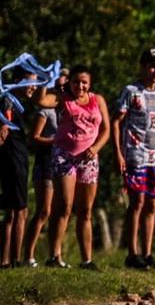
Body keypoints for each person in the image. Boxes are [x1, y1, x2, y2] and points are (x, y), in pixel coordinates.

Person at [113, 48, 155, 271]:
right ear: (142, 67)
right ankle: (132, 253)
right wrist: (119, 153)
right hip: (135, 155)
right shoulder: (131, 91)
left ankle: (147, 253)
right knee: (136, 202)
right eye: (151, 65)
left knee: (151, 204)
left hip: (154, 157)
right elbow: (116, 121)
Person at [45, 65, 110, 270]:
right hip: (65, 156)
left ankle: (87, 260)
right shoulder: (62, 98)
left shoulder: (97, 100)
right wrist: (44, 82)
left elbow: (106, 129)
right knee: (64, 206)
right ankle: (55, 256)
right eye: (75, 82)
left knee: (86, 210)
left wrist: (96, 147)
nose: (80, 86)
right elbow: (40, 100)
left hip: (89, 158)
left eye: (84, 82)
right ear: (69, 82)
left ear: (89, 84)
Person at [19, 67, 68, 267]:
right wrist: (56, 140)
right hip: (45, 163)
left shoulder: (69, 110)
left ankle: (56, 255)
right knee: (44, 210)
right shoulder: (46, 109)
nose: (63, 89)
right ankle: (28, 256)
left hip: (63, 165)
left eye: (66, 85)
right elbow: (34, 137)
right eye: (60, 85)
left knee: (61, 210)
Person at [0, 73, 37, 269]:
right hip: (13, 159)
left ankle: (6, 261)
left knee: (12, 211)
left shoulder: (11, 99)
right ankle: (15, 260)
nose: (33, 87)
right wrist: (3, 130)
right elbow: (6, 119)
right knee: (20, 211)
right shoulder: (10, 98)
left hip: (13, 159)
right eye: (31, 82)